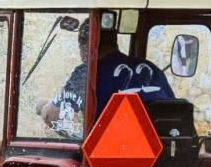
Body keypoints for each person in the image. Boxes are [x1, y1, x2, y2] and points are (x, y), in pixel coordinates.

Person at [37, 20, 175, 132]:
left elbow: (54, 115)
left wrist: (43, 107)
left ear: (87, 46)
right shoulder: (152, 69)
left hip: (110, 155)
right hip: (161, 155)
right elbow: (171, 111)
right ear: (114, 41)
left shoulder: (88, 72)